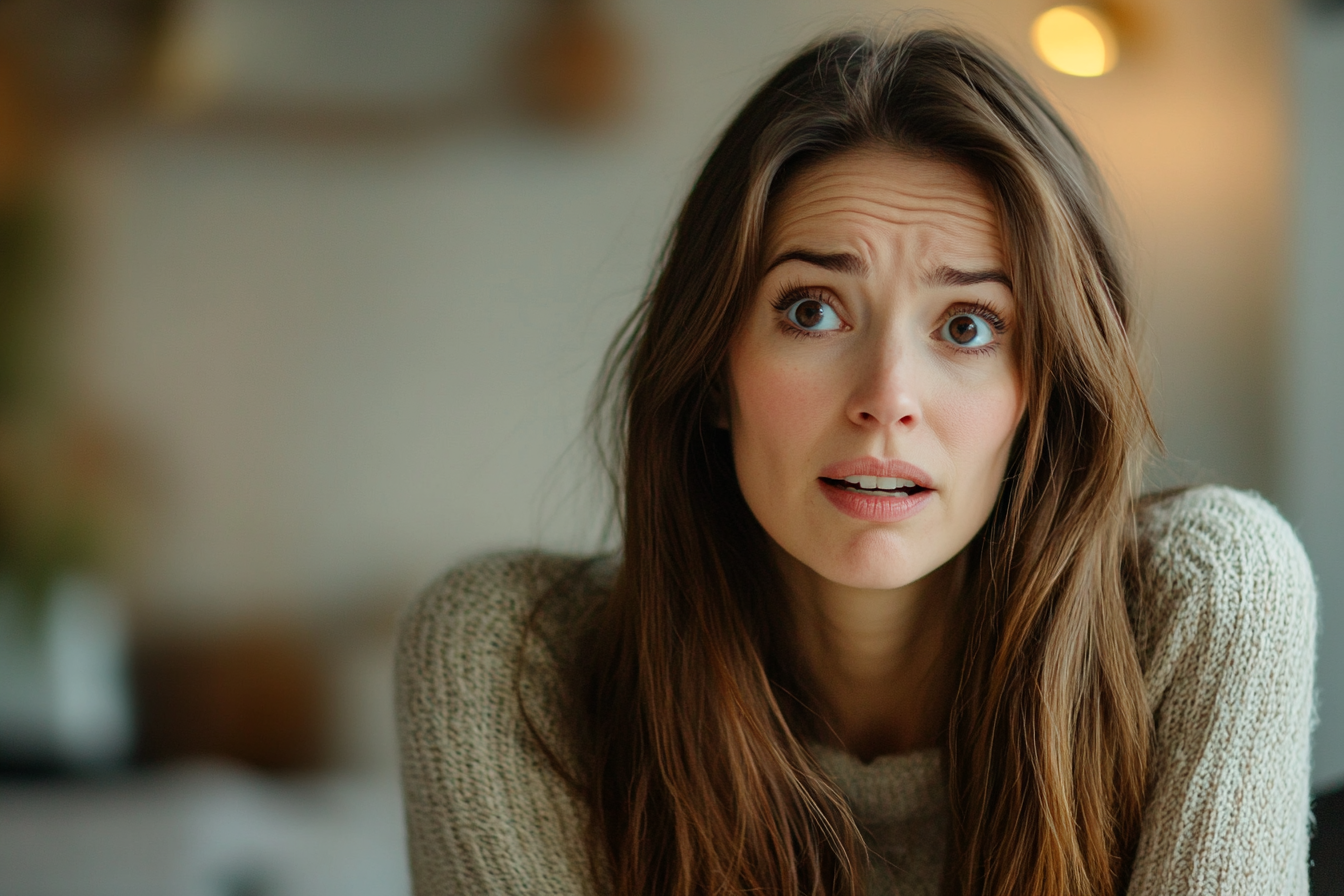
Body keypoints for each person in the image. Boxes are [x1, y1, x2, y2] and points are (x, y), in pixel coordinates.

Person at [396, 26, 1315, 896]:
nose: (886, 394)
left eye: (967, 327)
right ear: (712, 369)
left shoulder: (1210, 590)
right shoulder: (510, 658)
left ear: (1043, 396)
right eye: (811, 309)